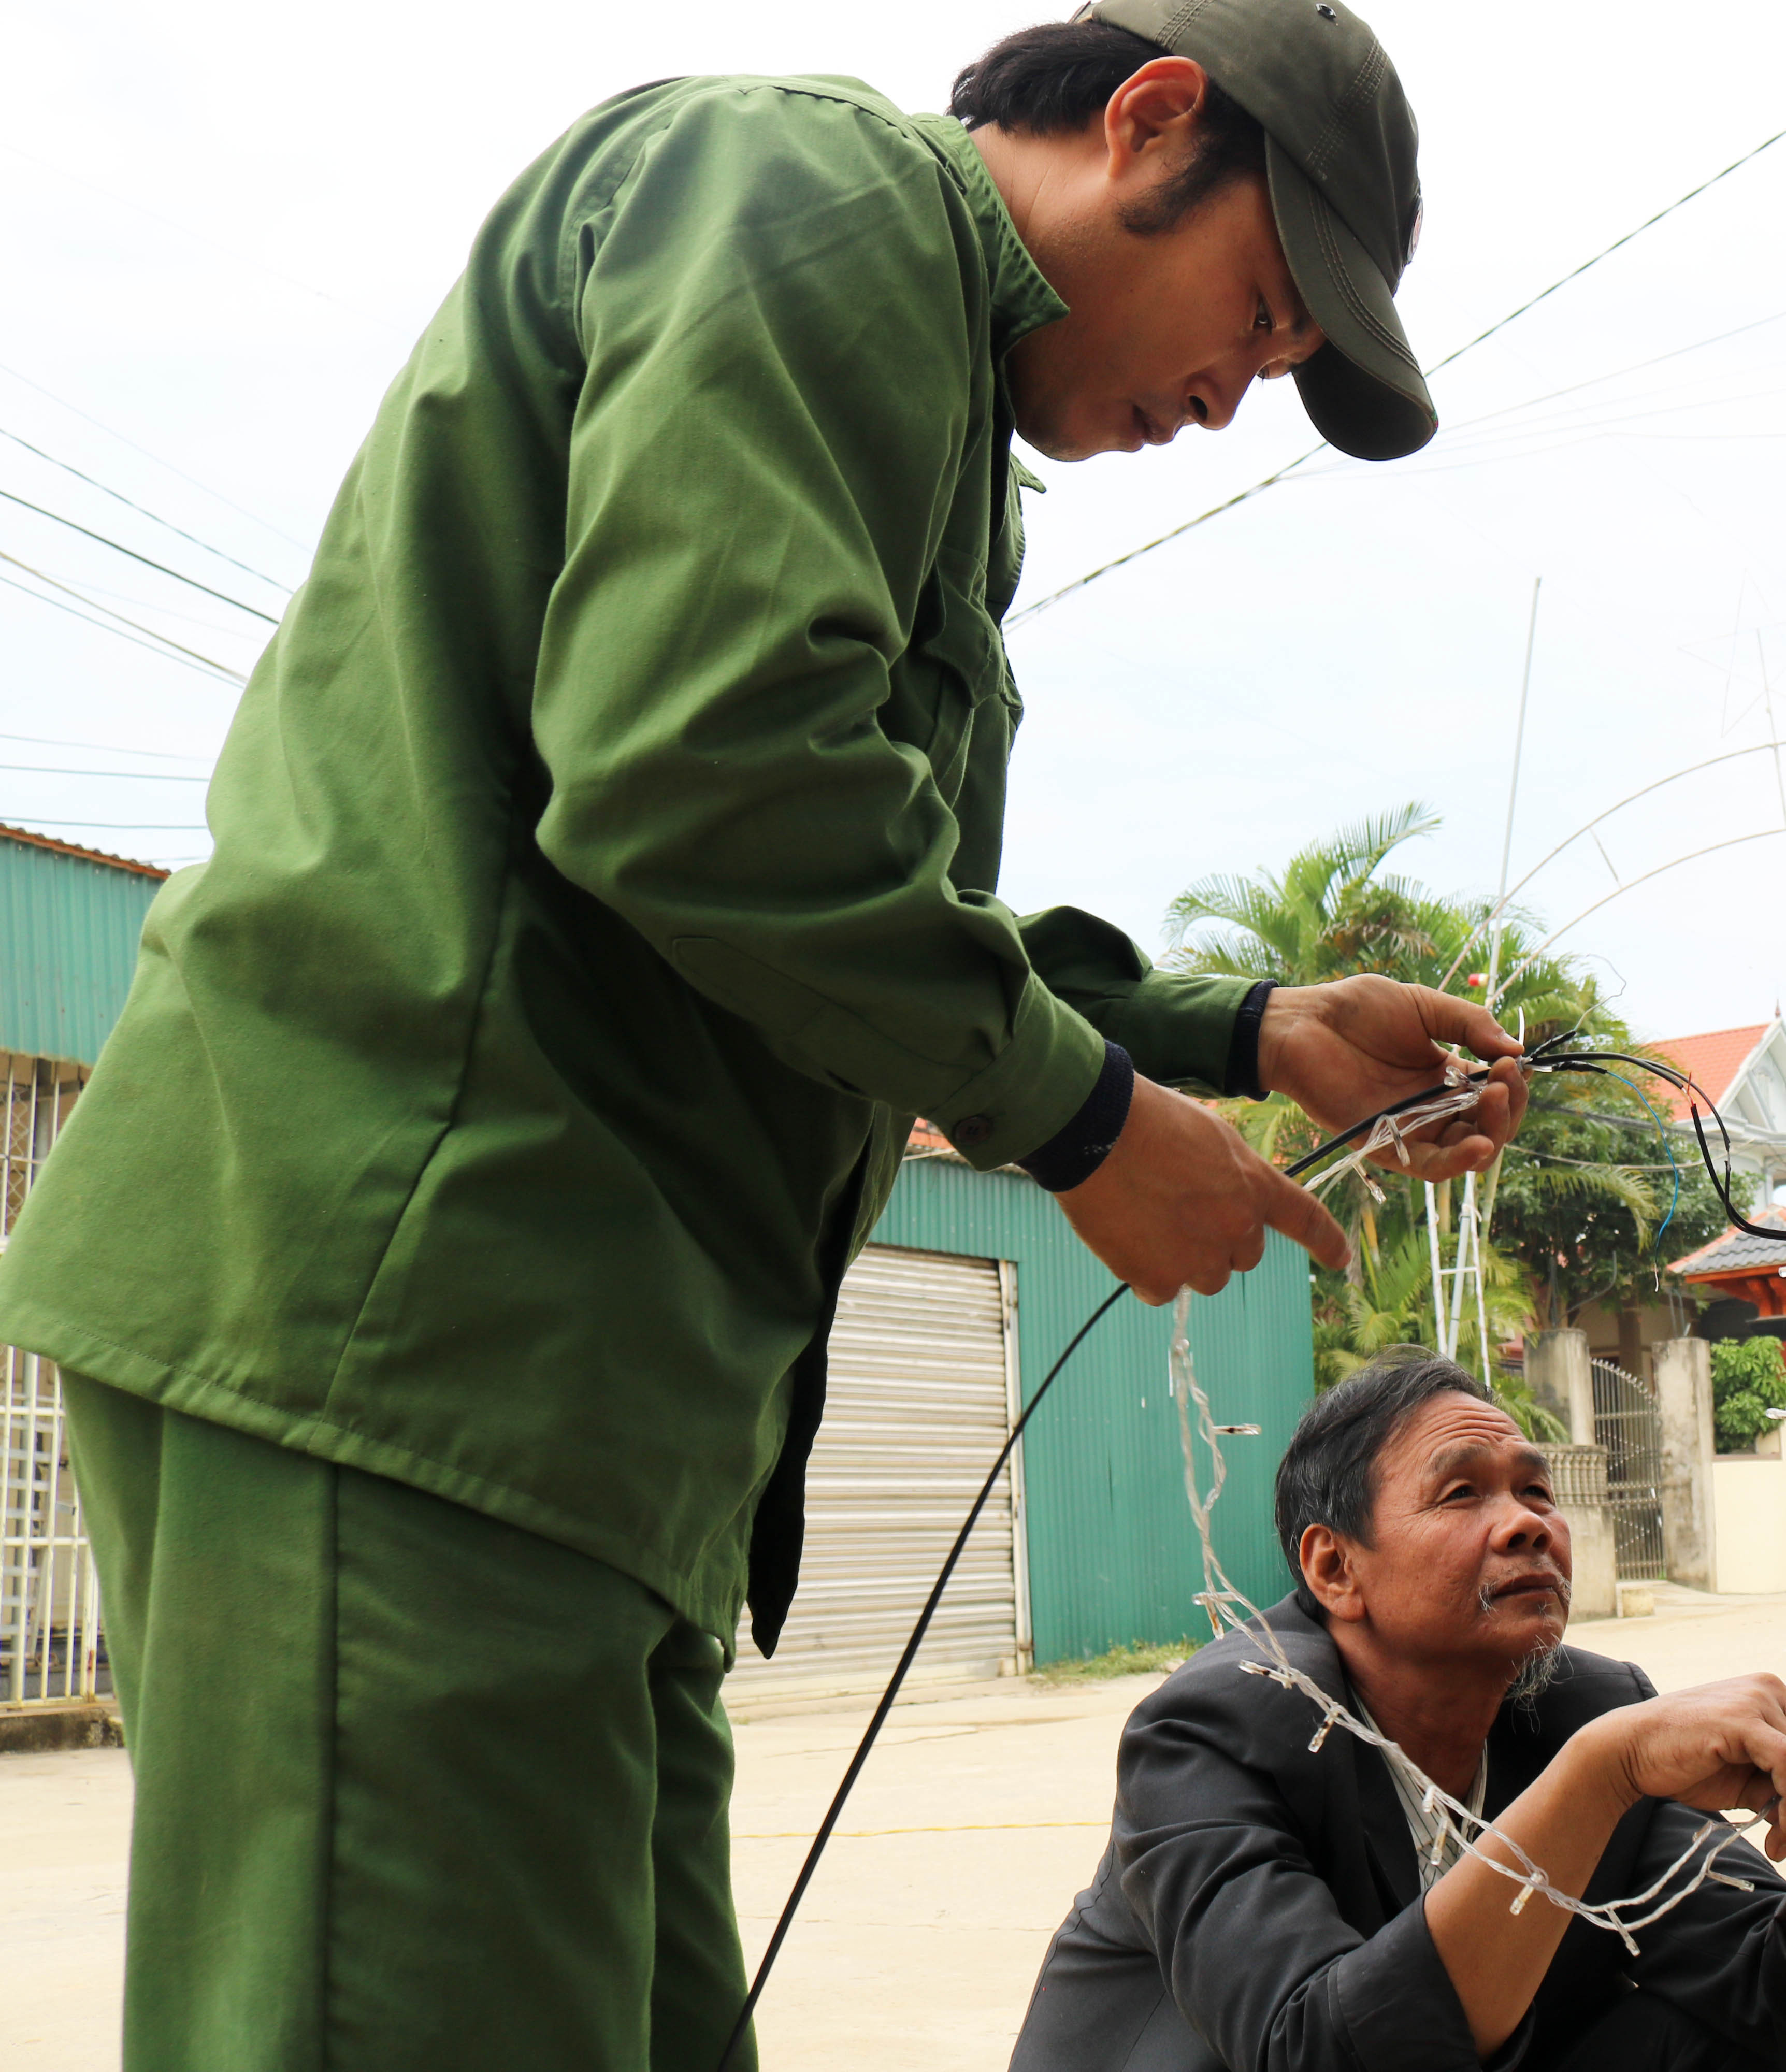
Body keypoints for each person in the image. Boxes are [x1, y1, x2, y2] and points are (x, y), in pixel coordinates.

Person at [0, 9, 1531, 2069]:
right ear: (1151, 119)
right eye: (1258, 314)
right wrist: (1088, 1121)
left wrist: (1241, 1026)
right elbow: (702, 776)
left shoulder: (926, 402)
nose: (1229, 399)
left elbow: (843, 897)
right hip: (408, 1331)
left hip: (577, 1421)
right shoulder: (819, 200)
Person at [1014, 1359, 1786, 2070]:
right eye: (1462, 1494)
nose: (1527, 1523)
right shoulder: (1214, 1732)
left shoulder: (1589, 1707)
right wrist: (1597, 1777)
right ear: (1335, 1569)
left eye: (1535, 1491)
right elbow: (1314, 2051)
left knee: (1720, 2047)